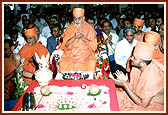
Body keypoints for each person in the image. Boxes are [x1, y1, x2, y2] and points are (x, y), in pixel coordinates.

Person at [113, 42, 164, 111]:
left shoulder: (153, 77)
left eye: (134, 58)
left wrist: (125, 85)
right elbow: (134, 88)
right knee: (113, 96)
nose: (131, 58)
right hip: (140, 99)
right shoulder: (136, 67)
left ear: (142, 64)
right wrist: (126, 81)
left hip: (151, 104)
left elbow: (143, 105)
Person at [57, 7, 97, 79]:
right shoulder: (69, 28)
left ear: (83, 18)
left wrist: (82, 38)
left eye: (79, 18)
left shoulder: (89, 29)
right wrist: (74, 37)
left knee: (91, 62)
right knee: (63, 63)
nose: (77, 21)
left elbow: (94, 46)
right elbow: (65, 44)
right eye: (75, 18)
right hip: (71, 55)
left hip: (85, 55)